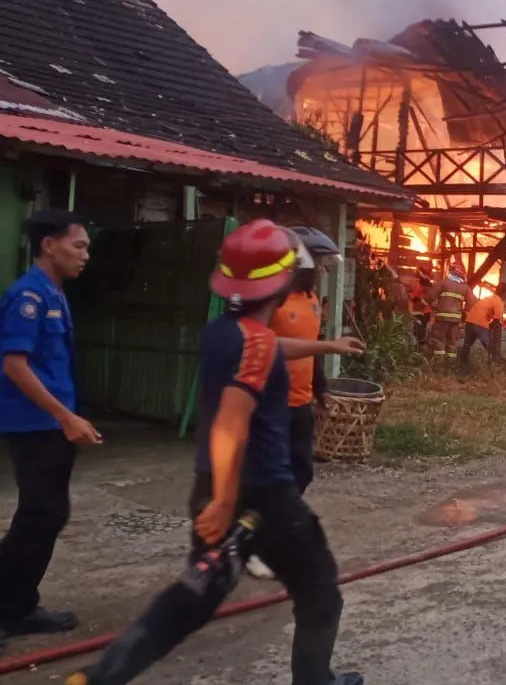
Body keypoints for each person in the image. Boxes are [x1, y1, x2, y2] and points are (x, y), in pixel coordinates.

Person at [70, 219, 367, 685]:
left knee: (194, 598)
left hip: (209, 484)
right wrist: (227, 502)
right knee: (320, 591)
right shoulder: (257, 344)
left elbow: (271, 349)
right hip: (263, 496)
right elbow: (232, 422)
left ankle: (101, 676)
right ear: (285, 279)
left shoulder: (221, 333)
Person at [0, 209, 98, 648]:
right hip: (35, 425)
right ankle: (10, 606)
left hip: (54, 423)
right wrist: (65, 416)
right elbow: (14, 367)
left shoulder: (54, 295)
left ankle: (19, 607)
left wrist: (72, 417)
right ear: (48, 245)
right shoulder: (28, 297)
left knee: (47, 515)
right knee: (38, 516)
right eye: (78, 245)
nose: (85, 255)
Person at [248, 225, 341, 581]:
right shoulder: (273, 300)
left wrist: (323, 390)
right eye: (318, 263)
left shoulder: (312, 301)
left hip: (300, 404)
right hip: (269, 405)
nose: (322, 270)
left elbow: (312, 350)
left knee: (301, 473)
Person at [424, 265, 473, 359]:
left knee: (439, 339)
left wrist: (428, 304)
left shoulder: (443, 282)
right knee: (452, 341)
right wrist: (463, 314)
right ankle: (450, 364)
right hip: (455, 320)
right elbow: (471, 303)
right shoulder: (465, 288)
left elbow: (430, 296)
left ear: (452, 272)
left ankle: (439, 363)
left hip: (442, 317)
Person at [459, 282, 506, 364]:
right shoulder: (498, 302)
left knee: (467, 344)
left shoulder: (488, 298)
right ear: (504, 293)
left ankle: (462, 363)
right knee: (489, 347)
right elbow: (497, 323)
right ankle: (495, 364)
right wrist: (496, 346)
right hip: (480, 323)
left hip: (469, 321)